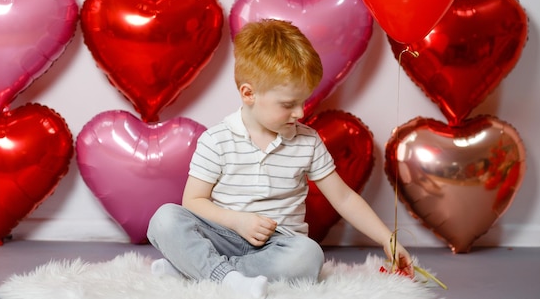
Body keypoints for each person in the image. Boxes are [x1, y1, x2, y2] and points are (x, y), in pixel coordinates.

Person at [147, 19, 414, 298]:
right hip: (224, 234)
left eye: (304, 102)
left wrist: (388, 239)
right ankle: (221, 274)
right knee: (165, 219)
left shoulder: (307, 141)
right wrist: (238, 221)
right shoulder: (217, 140)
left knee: (309, 255)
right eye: (288, 104)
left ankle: (199, 271)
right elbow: (193, 201)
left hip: (277, 246)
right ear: (249, 94)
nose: (300, 113)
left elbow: (343, 198)